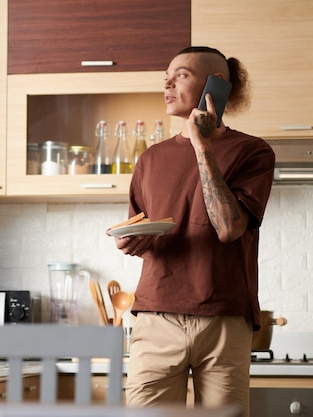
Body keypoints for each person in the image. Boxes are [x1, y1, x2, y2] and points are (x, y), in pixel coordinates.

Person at [116, 46, 275, 417]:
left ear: (215, 86)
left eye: (181, 75)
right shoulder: (149, 159)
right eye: (166, 77)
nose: (168, 84)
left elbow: (229, 228)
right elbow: (144, 230)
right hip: (155, 318)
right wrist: (130, 241)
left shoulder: (253, 152)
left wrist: (202, 144)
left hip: (223, 319)